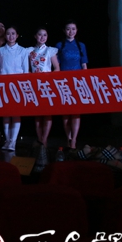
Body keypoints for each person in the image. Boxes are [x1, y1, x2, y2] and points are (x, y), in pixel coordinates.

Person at [55, 20, 88, 149]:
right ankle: (68, 138)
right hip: (64, 82)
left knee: (76, 112)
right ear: (64, 31)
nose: (71, 31)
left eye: (73, 29)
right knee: (66, 113)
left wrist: (85, 81)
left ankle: (74, 139)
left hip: (77, 82)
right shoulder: (59, 45)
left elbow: (84, 65)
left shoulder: (81, 45)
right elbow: (57, 65)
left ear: (77, 30)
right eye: (68, 29)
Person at [0, 26, 29, 152]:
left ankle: (13, 141)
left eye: (13, 33)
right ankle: (7, 140)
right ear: (5, 36)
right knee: (5, 113)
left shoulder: (23, 50)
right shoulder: (0, 51)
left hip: (18, 85)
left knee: (16, 113)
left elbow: (25, 70)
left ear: (17, 35)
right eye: (8, 34)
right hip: (4, 85)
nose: (11, 36)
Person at [29, 28, 60, 147]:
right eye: (40, 35)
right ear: (35, 36)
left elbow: (57, 68)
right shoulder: (30, 50)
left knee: (47, 113)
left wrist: (50, 79)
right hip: (34, 84)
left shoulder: (50, 50)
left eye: (45, 35)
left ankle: (44, 139)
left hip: (47, 85)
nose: (42, 37)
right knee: (37, 113)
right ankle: (39, 138)